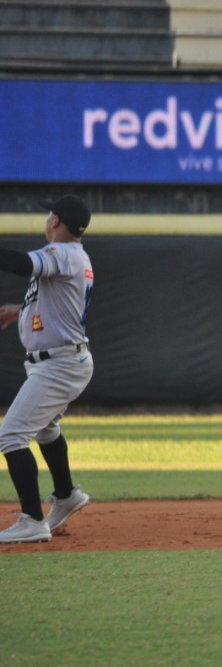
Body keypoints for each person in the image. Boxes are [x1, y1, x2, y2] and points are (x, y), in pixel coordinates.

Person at [0, 195, 95, 544]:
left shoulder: (64, 253)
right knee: (45, 430)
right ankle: (67, 493)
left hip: (60, 364)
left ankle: (32, 520)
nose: (48, 218)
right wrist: (19, 312)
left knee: (11, 435)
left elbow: (25, 265)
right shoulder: (75, 257)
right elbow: (55, 307)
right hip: (63, 361)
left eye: (50, 213)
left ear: (56, 221)